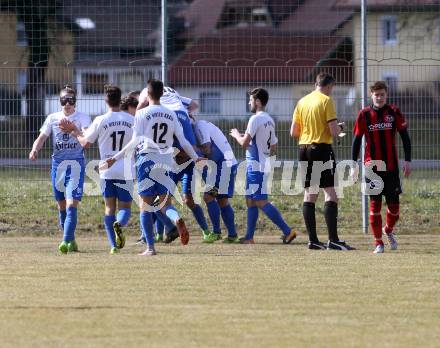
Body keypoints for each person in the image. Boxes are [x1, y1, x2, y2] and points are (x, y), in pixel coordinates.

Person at [105, 79, 205, 256]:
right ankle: (176, 219)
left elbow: (134, 141)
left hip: (146, 159)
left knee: (146, 205)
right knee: (165, 203)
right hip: (166, 161)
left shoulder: (141, 114)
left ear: (148, 94)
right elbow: (184, 142)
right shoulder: (171, 114)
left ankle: (150, 248)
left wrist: (115, 157)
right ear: (161, 94)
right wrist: (196, 158)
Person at [60, 85, 135, 254]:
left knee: (109, 209)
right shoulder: (132, 119)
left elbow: (85, 142)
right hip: (126, 170)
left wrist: (74, 131)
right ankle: (120, 224)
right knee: (125, 208)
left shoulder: (101, 120)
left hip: (106, 169)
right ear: (119, 98)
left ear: (106, 100)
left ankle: (114, 247)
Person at [137, 86, 212, 242]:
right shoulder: (173, 93)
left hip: (158, 159)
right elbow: (194, 105)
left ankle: (150, 241)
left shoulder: (146, 94)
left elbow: (142, 105)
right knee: (166, 202)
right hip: (181, 120)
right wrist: (196, 157)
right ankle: (167, 230)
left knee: (149, 203)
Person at [291, 72, 354, 250]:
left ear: (316, 83)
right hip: (321, 149)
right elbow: (334, 132)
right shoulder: (326, 100)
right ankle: (333, 240)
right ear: (329, 86)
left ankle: (313, 240)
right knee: (330, 193)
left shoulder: (302, 102)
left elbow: (294, 132)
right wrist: (341, 126)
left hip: (304, 149)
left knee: (310, 195)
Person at [230, 87, 297, 244]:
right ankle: (249, 237)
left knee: (260, 201)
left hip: (256, 166)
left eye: (251, 100)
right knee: (251, 200)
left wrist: (235, 135)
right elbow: (273, 147)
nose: (249, 102)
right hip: (261, 164)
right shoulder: (269, 119)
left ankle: (288, 231)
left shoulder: (255, 119)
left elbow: (244, 143)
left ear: (257, 102)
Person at [29, 85, 91, 253]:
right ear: (60, 102)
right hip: (58, 165)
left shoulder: (83, 118)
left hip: (76, 164)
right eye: (64, 100)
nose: (67, 104)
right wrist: (35, 149)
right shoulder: (52, 118)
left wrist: (74, 130)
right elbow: (41, 137)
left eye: (70, 100)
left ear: (75, 102)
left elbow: (86, 138)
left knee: (72, 205)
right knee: (62, 206)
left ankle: (64, 241)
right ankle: (71, 241)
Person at [352, 81, 411, 253]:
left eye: (382, 94)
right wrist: (353, 164)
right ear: (372, 95)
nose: (379, 97)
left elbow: (405, 137)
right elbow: (356, 141)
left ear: (386, 95)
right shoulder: (364, 115)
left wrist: (408, 160)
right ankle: (378, 242)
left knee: (395, 210)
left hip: (391, 168)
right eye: (376, 95)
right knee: (374, 206)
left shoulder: (394, 112)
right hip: (372, 168)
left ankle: (388, 230)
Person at [191, 114, 239, 243]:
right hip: (226, 165)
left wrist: (193, 153)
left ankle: (216, 232)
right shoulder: (201, 126)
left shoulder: (199, 126)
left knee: (209, 197)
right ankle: (232, 235)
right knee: (222, 201)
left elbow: (207, 149)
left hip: (223, 167)